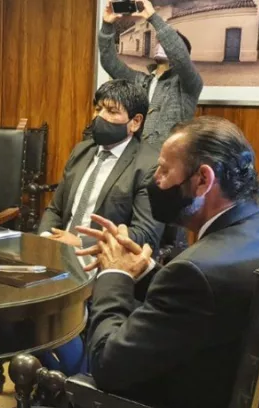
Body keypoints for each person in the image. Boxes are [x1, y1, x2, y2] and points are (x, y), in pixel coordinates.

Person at [0, 116, 259, 408]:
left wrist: (114, 275)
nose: (156, 180)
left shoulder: (195, 271)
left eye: (165, 171)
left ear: (203, 179)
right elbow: (203, 309)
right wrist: (145, 271)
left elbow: (106, 365)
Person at [34, 79, 164, 374]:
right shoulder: (83, 151)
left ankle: (78, 379)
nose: (100, 117)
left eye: (111, 111)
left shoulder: (148, 164)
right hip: (56, 255)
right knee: (17, 310)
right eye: (98, 109)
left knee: (46, 318)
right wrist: (46, 238)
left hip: (101, 263)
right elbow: (55, 209)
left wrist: (81, 243)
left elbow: (144, 235)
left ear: (135, 122)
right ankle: (50, 377)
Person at [99, 0, 203, 146]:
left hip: (170, 156)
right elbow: (109, 62)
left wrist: (153, 17)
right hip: (137, 155)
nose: (160, 44)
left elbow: (180, 55)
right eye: (159, 42)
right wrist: (107, 25)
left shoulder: (188, 83)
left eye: (165, 43)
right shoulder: (141, 80)